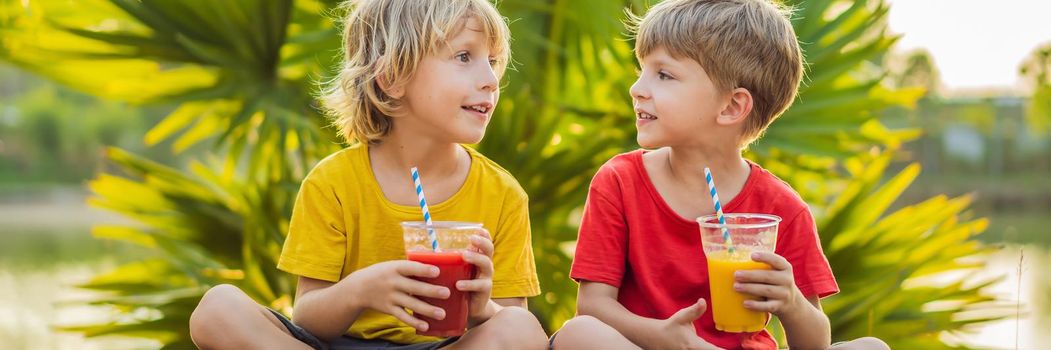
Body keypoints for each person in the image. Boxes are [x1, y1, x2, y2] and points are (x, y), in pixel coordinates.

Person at [188, 1, 546, 349]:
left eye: (493, 61)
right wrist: (360, 290)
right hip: (338, 343)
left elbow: (512, 322)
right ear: (392, 78)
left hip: (445, 346)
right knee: (218, 309)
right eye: (464, 56)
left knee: (522, 330)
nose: (489, 79)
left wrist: (483, 309)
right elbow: (307, 317)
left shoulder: (503, 194)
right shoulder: (333, 182)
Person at [550, 1, 889, 349]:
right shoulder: (620, 181)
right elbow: (592, 305)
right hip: (648, 346)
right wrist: (667, 339)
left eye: (663, 75)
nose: (637, 88)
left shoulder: (781, 208)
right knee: (579, 334)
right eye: (642, 70)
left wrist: (792, 303)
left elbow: (814, 344)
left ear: (731, 107)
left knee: (872, 347)